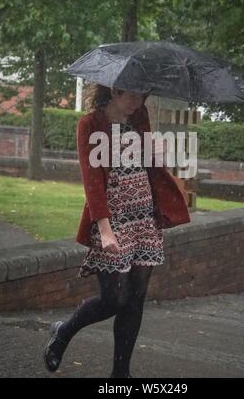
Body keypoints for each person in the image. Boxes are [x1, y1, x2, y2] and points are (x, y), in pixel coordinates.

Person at [43, 84, 190, 378]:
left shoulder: (139, 116)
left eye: (143, 97)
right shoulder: (90, 124)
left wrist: (157, 151)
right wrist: (105, 230)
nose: (138, 102)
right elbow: (92, 181)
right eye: (132, 96)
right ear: (115, 91)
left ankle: (120, 375)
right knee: (113, 299)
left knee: (135, 299)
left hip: (144, 217)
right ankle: (64, 331)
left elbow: (146, 164)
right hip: (113, 219)